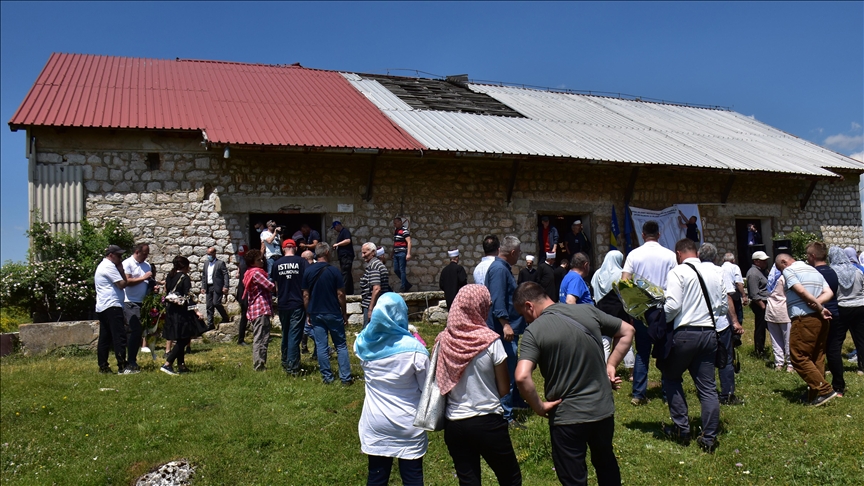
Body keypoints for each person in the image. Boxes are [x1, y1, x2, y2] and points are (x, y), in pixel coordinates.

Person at [514, 281, 634, 485]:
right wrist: (611, 364)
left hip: (566, 417)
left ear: (529, 306)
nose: (525, 319)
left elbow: (522, 376)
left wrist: (539, 406)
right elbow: (628, 330)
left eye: (523, 314)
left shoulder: (534, 332)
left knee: (573, 478)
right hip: (602, 411)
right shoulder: (588, 311)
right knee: (606, 464)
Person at [435, 284, 522, 485]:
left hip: (455, 422)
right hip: (487, 419)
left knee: (469, 480)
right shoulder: (491, 341)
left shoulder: (443, 340)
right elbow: (503, 389)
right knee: (510, 478)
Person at [355, 293, 429, 486]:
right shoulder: (415, 351)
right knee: (413, 478)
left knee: (377, 477)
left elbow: (364, 335)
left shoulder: (363, 346)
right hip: (408, 423)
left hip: (375, 422)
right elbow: (426, 389)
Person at [661, 238, 727, 453]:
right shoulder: (717, 272)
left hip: (686, 332)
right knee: (708, 388)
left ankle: (682, 428)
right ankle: (709, 437)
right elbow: (723, 305)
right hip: (709, 332)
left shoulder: (678, 272)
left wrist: (661, 317)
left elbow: (672, 305)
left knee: (671, 377)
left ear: (678, 253)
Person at [620, 220, 677, 406]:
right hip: (664, 308)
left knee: (642, 352)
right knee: (664, 350)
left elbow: (624, 282)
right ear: (658, 235)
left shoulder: (634, 255)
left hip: (642, 310)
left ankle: (638, 393)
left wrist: (631, 309)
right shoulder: (669, 255)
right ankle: (668, 393)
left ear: (642, 235)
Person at [774, 253, 836, 406]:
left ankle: (824, 389)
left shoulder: (789, 271)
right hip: (821, 319)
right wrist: (818, 306)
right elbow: (829, 292)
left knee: (798, 356)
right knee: (817, 356)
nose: (782, 272)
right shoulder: (813, 270)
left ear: (784, 262)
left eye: (779, 268)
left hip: (804, 319)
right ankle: (814, 395)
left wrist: (816, 305)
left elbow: (800, 290)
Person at [484, 235, 528, 427]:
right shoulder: (499, 270)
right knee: (507, 373)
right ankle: (506, 415)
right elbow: (498, 299)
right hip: (503, 330)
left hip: (507, 329)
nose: (518, 256)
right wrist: (505, 324)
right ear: (512, 252)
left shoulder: (501, 268)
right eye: (518, 253)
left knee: (513, 367)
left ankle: (516, 403)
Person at [698, 243, 745, 406]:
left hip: (700, 323)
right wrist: (735, 321)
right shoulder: (720, 272)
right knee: (725, 358)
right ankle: (727, 393)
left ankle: (706, 393)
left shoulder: (693, 271)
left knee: (704, 360)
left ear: (699, 256)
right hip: (720, 322)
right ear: (716, 258)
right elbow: (727, 297)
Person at [302, 243, 353, 385]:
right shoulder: (334, 271)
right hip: (333, 312)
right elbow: (341, 294)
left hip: (316, 312)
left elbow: (305, 295)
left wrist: (308, 313)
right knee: (341, 345)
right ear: (326, 252)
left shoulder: (308, 271)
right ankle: (346, 378)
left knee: (321, 346)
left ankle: (327, 378)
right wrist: (344, 312)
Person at [827, 246, 864, 394]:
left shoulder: (833, 272)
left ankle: (835, 368)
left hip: (842, 307)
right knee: (861, 339)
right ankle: (862, 368)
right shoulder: (857, 270)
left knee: (836, 342)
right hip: (860, 306)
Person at [591, 250, 636, 371]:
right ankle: (631, 370)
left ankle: (603, 369)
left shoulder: (597, 273)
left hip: (602, 310)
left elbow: (593, 287)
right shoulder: (621, 274)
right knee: (625, 339)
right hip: (619, 311)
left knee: (605, 341)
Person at [272, 239, 307, 375]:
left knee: (285, 333)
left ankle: (285, 360)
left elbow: (276, 287)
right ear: (295, 248)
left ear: (283, 249)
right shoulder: (301, 262)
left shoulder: (276, 264)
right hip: (297, 303)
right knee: (294, 335)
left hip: (283, 303)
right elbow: (306, 284)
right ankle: (293, 367)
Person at [95, 245, 130, 374]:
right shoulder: (109, 267)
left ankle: (103, 366)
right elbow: (122, 284)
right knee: (119, 336)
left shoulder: (102, 266)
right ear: (111, 255)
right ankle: (122, 366)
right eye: (118, 256)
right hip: (112, 306)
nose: (120, 259)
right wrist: (121, 271)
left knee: (105, 337)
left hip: (103, 306)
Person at [160, 256, 198, 375]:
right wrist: (196, 311)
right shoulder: (184, 278)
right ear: (185, 266)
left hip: (171, 310)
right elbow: (188, 295)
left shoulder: (169, 276)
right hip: (181, 311)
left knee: (179, 337)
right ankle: (168, 363)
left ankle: (181, 365)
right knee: (185, 337)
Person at [121, 243, 155, 374]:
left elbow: (148, 281)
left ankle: (132, 359)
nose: (146, 256)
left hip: (142, 302)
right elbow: (127, 282)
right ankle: (130, 360)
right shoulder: (127, 263)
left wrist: (152, 285)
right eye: (145, 253)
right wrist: (143, 278)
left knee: (139, 331)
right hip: (130, 301)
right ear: (137, 251)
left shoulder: (146, 265)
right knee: (134, 330)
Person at [240, 249, 276, 371]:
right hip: (261, 307)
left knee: (261, 337)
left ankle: (260, 363)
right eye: (258, 260)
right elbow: (270, 286)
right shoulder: (256, 273)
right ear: (252, 262)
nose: (262, 261)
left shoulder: (249, 272)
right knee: (261, 338)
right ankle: (259, 364)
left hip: (255, 308)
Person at [765, 267, 793, 372]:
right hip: (784, 311)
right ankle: (790, 364)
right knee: (788, 340)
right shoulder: (784, 278)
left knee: (775, 340)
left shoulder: (770, 280)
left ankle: (779, 363)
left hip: (771, 310)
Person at [747, 251, 771, 359]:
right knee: (760, 328)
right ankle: (759, 351)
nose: (765, 262)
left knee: (768, 327)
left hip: (766, 302)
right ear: (756, 261)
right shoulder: (753, 273)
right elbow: (753, 293)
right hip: (761, 303)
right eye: (763, 261)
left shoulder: (762, 271)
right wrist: (762, 305)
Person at [360, 242, 390, 328]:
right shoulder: (377, 264)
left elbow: (376, 288)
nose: (362, 256)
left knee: (368, 334)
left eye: (365, 253)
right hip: (378, 305)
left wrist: (370, 309)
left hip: (373, 305)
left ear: (373, 252)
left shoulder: (374, 266)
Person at [201, 247, 229, 330]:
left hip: (217, 286)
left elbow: (225, 275)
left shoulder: (220, 263)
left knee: (216, 302)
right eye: (207, 254)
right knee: (209, 305)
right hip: (208, 286)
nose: (208, 256)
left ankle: (225, 317)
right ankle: (210, 324)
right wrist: (203, 286)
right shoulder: (206, 263)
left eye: (210, 254)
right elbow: (204, 276)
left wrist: (226, 286)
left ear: (214, 253)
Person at [721, 252, 748, 325]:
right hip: (733, 294)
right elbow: (738, 282)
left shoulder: (720, 268)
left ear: (723, 260)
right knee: (738, 316)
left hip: (723, 294)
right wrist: (744, 296)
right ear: (733, 260)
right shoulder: (735, 267)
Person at [331, 221, 355, 295]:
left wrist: (337, 244)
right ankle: (349, 291)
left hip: (346, 256)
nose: (335, 229)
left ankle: (343, 291)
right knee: (347, 274)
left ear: (338, 225)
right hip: (343, 257)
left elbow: (348, 240)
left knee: (345, 273)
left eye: (335, 227)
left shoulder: (345, 231)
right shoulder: (341, 233)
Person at [392, 216, 413, 292]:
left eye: (395, 222)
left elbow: (409, 242)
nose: (394, 224)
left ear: (400, 222)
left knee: (402, 270)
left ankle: (403, 286)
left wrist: (408, 254)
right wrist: (392, 252)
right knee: (396, 269)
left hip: (402, 253)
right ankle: (407, 284)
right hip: (396, 253)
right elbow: (395, 242)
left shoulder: (405, 231)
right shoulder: (396, 231)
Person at [235, 244, 249, 346]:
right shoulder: (245, 266)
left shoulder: (242, 265)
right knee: (245, 316)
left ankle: (241, 338)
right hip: (245, 294)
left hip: (242, 293)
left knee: (245, 316)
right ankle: (241, 339)